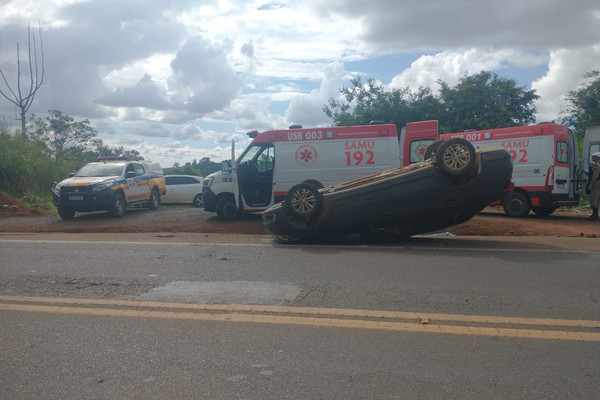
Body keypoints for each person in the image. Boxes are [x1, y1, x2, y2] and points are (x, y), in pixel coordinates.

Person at [587, 151, 600, 221]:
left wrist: (591, 184)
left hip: (597, 183)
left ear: (597, 157)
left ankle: (594, 215)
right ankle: (596, 215)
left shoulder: (596, 165)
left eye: (594, 156)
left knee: (594, 198)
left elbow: (595, 175)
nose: (592, 157)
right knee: (597, 199)